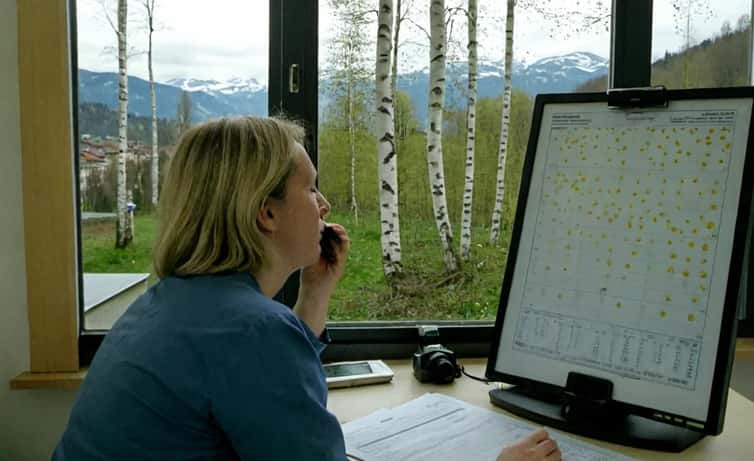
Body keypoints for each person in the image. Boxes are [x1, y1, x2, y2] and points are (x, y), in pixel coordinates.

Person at [52, 116, 562, 461]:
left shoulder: (169, 302)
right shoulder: (252, 332)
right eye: (311, 187)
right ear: (266, 212)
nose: (324, 205)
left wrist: (314, 295)